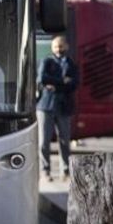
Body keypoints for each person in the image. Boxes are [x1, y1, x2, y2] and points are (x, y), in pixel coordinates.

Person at [37, 35, 79, 180]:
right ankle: (45, 169)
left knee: (64, 141)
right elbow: (42, 79)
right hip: (45, 107)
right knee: (44, 141)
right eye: (56, 46)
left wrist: (54, 84)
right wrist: (62, 81)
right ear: (52, 48)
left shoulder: (72, 64)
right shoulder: (47, 61)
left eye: (61, 46)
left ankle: (65, 170)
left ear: (66, 46)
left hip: (64, 107)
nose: (58, 49)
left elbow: (74, 84)